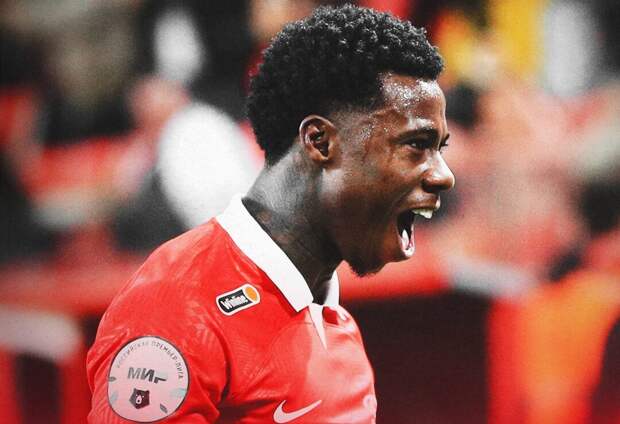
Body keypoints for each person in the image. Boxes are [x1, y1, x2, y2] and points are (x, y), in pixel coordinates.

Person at [87, 5, 454, 423]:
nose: (443, 176)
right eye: (415, 145)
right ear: (320, 142)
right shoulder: (176, 308)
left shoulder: (340, 330)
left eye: (439, 149)